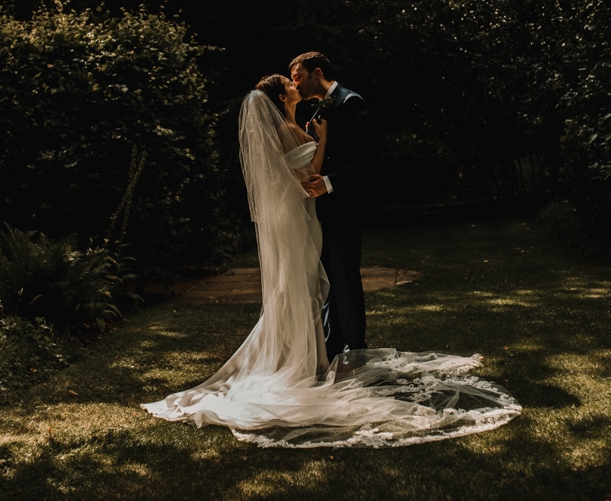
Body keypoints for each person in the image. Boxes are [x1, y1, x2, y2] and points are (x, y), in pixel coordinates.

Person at [140, 72, 521, 448]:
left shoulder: (298, 121)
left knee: (302, 284)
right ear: (280, 97)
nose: (294, 84)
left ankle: (311, 356)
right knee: (306, 283)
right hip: (303, 215)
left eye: (296, 77)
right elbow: (310, 172)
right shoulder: (289, 128)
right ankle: (306, 362)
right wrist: (321, 139)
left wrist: (317, 143)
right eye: (289, 82)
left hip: (300, 214)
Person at [289, 52, 372, 361]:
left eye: (298, 75)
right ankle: (332, 344)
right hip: (322, 210)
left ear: (317, 72)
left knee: (345, 277)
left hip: (345, 206)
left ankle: (355, 349)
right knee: (330, 279)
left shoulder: (352, 103)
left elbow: (365, 159)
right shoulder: (318, 109)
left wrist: (329, 182)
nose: (295, 82)